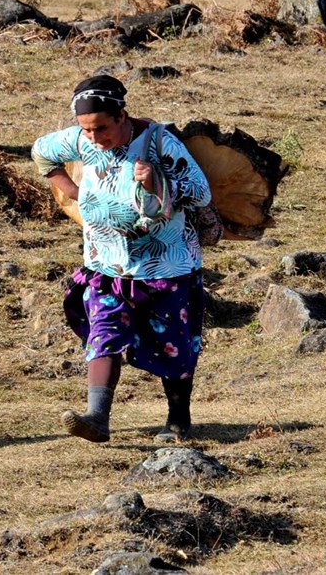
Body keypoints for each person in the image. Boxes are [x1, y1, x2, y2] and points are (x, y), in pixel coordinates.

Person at [32, 75, 212, 443]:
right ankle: (97, 418)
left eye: (101, 128)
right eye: (86, 130)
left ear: (121, 116)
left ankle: (178, 421)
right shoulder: (81, 140)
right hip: (105, 264)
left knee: (173, 346)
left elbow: (200, 192)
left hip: (165, 267)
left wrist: (159, 182)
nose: (94, 137)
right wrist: (76, 193)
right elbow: (41, 152)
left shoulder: (160, 142)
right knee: (103, 335)